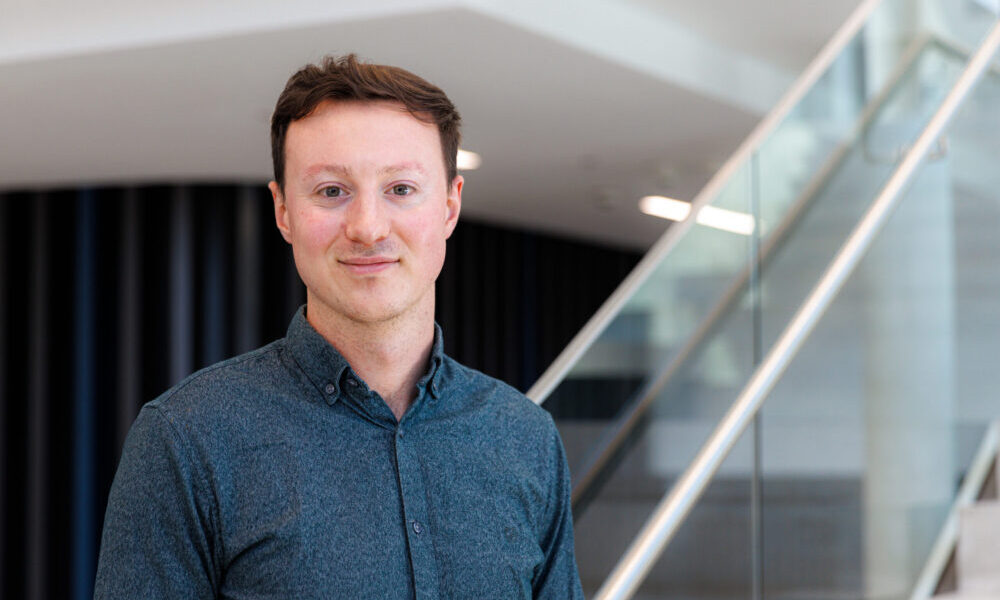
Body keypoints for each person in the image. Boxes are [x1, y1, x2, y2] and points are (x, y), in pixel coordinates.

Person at [94, 54, 584, 599]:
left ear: (449, 206)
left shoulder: (527, 438)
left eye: (400, 189)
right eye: (331, 191)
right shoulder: (186, 440)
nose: (367, 228)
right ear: (282, 210)